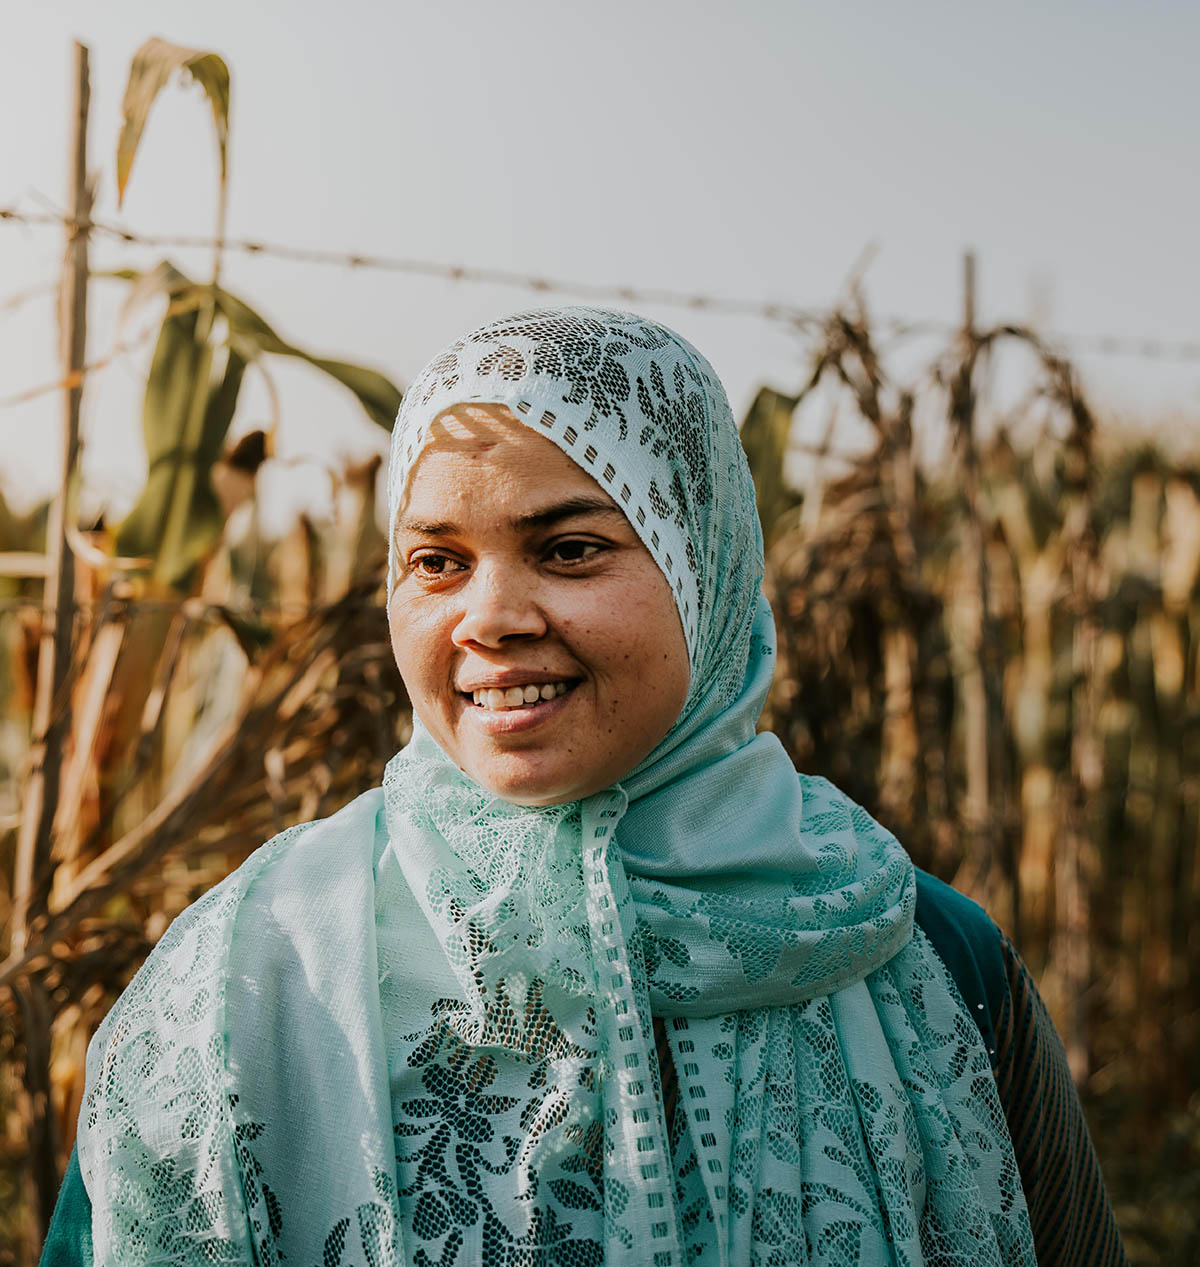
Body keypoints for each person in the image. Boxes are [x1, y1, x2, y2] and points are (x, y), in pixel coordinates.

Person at [42, 307, 1126, 1265]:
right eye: (436, 561)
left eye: (567, 548)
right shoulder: (249, 979)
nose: (491, 615)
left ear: (707, 569)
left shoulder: (925, 958)